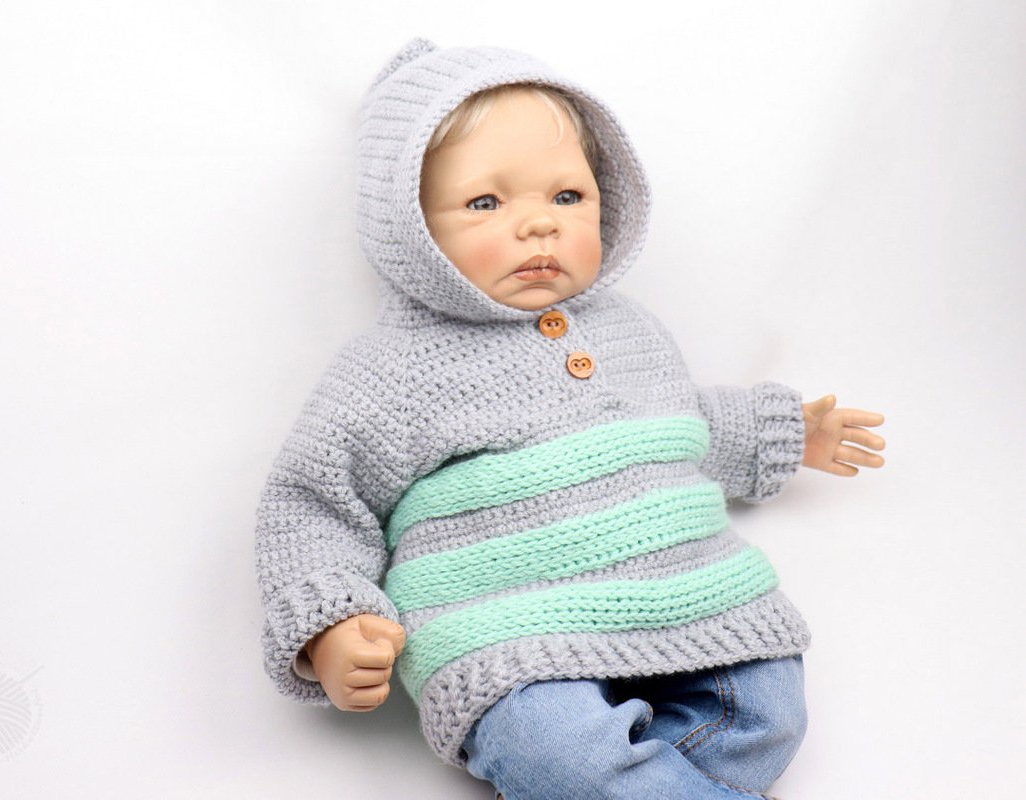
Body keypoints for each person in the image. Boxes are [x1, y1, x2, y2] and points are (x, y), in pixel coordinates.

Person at [255, 38, 885, 800]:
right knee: (554, 749)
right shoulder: (394, 367)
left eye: (566, 197)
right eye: (486, 203)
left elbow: (680, 426)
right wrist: (331, 624)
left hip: (684, 594)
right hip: (506, 632)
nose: (539, 226)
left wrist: (779, 432)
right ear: (407, 225)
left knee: (768, 716)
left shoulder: (630, 328)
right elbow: (313, 500)